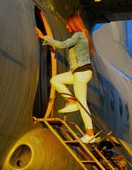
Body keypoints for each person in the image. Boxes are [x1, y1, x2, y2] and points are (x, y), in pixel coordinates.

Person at [35, 13, 96, 143]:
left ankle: (90, 134)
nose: (67, 27)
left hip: (81, 73)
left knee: (82, 104)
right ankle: (70, 100)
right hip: (77, 72)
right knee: (55, 80)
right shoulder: (82, 36)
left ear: (73, 24)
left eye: (68, 25)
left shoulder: (78, 35)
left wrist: (44, 37)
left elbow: (62, 45)